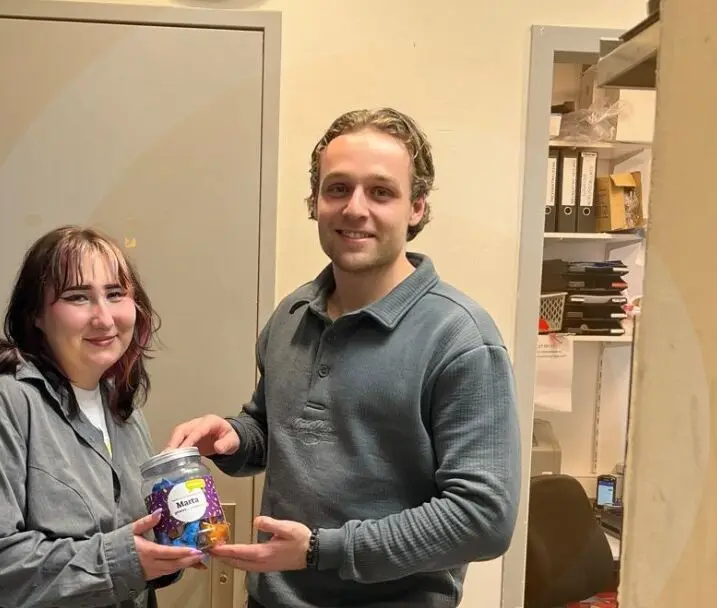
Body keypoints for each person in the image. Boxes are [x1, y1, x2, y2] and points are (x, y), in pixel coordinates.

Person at [167, 108, 522, 608]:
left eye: (381, 192)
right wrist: (234, 437)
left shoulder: (460, 338)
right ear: (315, 202)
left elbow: (483, 518)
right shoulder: (293, 314)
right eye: (338, 189)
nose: (355, 209)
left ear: (416, 207)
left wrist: (321, 550)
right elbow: (276, 429)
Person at [0, 226, 204, 608]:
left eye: (115, 294)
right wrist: (121, 563)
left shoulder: (122, 411)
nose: (104, 318)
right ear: (35, 315)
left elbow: (126, 542)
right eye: (77, 297)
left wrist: (173, 543)